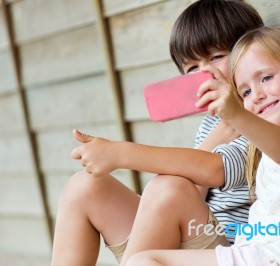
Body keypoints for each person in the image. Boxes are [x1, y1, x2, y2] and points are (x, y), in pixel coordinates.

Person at [50, 1, 263, 265]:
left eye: (217, 56)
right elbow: (192, 193)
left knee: (167, 186)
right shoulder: (212, 124)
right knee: (83, 187)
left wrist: (120, 153)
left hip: (228, 250)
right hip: (194, 232)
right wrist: (215, 137)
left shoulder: (263, 114)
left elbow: (215, 171)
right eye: (192, 68)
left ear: (251, 51)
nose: (205, 72)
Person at [125, 25, 280, 266]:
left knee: (144, 261)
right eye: (245, 92)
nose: (256, 95)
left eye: (266, 78)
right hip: (259, 254)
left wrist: (237, 115)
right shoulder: (277, 139)